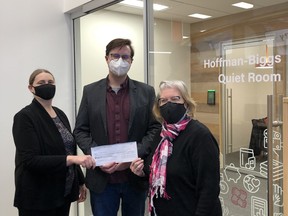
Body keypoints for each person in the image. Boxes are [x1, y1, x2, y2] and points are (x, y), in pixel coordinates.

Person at [73, 38, 161, 216]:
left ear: (131, 61)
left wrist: (133, 155)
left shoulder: (146, 91)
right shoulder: (90, 91)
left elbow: (154, 129)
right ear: (106, 58)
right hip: (102, 178)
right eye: (115, 56)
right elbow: (80, 130)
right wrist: (99, 157)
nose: (120, 61)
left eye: (125, 56)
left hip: (134, 176)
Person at [130, 80, 222, 216]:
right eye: (163, 101)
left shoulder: (200, 136)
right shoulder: (159, 135)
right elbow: (155, 172)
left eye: (175, 99)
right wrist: (141, 173)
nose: (169, 104)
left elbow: (209, 189)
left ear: (186, 103)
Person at [12, 69, 96, 216]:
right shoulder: (24, 117)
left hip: (63, 193)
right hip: (38, 197)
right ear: (31, 88)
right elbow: (30, 161)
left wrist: (80, 182)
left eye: (50, 82)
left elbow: (68, 149)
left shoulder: (60, 114)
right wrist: (72, 159)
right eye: (41, 83)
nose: (47, 85)